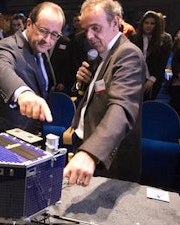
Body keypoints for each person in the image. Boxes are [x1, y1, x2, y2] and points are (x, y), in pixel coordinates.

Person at [63, 0, 147, 186]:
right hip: (87, 144)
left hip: (109, 158)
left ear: (115, 23)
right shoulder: (102, 54)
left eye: (96, 28)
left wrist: (91, 152)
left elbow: (122, 107)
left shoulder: (127, 54)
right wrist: (81, 84)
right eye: (86, 30)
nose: (90, 36)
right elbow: (94, 95)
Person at [0, 1, 65, 136]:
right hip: (4, 138)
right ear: (29, 24)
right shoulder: (6, 46)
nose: (47, 39)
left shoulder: (41, 50)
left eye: (54, 34)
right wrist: (23, 92)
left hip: (31, 135)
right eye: (43, 31)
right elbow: (0, 69)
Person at [130, 11, 172, 101]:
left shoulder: (164, 40)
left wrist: (152, 79)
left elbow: (162, 62)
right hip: (134, 78)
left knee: (148, 105)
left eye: (152, 23)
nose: (148, 25)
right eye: (146, 23)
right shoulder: (133, 38)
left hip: (153, 79)